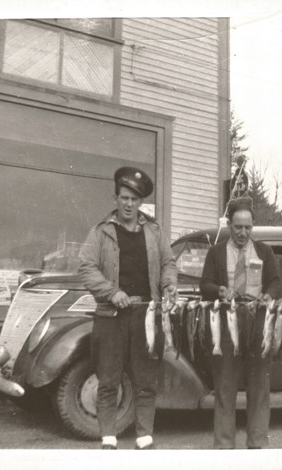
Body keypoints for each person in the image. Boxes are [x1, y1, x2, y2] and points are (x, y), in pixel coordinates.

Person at [78, 166, 177, 450]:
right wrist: (112, 293)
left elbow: (168, 262)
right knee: (108, 378)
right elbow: (86, 267)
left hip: (147, 316)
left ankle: (144, 436)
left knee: (146, 379)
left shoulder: (154, 230)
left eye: (134, 199)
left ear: (140, 202)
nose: (129, 204)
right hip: (111, 317)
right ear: (115, 198)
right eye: (124, 198)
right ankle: (108, 437)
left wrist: (169, 284)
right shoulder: (101, 232)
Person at [199, 201, 282, 449]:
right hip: (227, 323)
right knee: (225, 387)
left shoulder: (264, 252)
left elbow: (276, 282)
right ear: (229, 226)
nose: (243, 233)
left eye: (247, 227)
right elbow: (205, 285)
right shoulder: (216, 253)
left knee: (259, 387)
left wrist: (269, 295)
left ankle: (256, 445)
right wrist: (218, 290)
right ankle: (224, 447)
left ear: (252, 226)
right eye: (238, 227)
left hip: (258, 324)